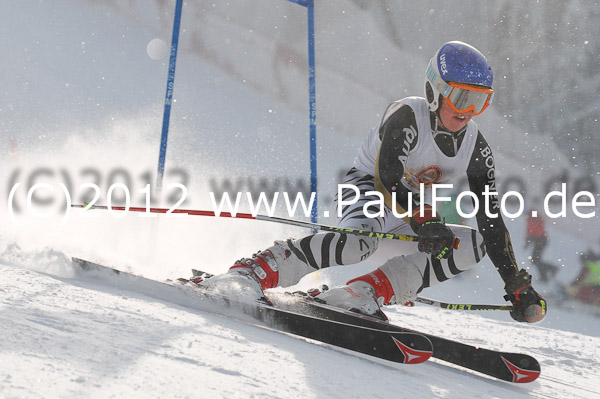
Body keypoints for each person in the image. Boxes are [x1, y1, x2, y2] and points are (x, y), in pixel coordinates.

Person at [200, 41, 547, 323]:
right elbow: (387, 178)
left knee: (471, 245)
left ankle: (362, 293)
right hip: (366, 191)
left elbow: (490, 218)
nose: (467, 111)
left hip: (407, 215)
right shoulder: (409, 115)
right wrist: (422, 217)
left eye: (479, 101)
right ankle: (257, 270)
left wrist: (514, 281)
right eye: (461, 98)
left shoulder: (475, 146)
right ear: (436, 90)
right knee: (357, 244)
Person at [524, 207, 558, 282]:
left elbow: (535, 230)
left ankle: (549, 271)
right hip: (540, 240)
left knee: (535, 259)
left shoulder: (533, 218)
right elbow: (530, 231)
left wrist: (529, 239)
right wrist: (528, 240)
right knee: (535, 259)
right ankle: (547, 272)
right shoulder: (531, 219)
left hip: (541, 240)